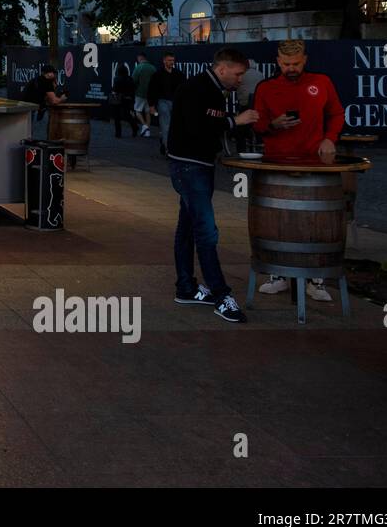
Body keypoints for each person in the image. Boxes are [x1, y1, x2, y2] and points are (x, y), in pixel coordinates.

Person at [166, 46, 261, 324]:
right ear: (222, 69)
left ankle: (186, 287)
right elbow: (199, 127)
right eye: (238, 73)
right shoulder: (198, 89)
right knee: (206, 231)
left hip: (192, 165)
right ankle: (221, 295)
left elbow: (203, 125)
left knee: (188, 228)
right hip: (189, 166)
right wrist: (235, 120)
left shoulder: (205, 88)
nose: (241, 79)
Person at [251, 39, 345, 302]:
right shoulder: (266, 87)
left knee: (314, 220)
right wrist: (273, 124)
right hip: (276, 161)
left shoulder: (322, 82)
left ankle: (316, 279)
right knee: (279, 218)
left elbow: (337, 114)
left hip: (314, 162)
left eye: (295, 63)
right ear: (277, 62)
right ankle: (277, 274)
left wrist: (330, 138)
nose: (290, 68)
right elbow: (256, 124)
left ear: (305, 60)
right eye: (285, 64)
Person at [147, 52, 186, 157]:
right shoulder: (158, 75)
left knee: (174, 126)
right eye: (169, 60)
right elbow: (152, 90)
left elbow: (184, 89)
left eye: (173, 60)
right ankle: (169, 149)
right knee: (166, 126)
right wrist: (151, 105)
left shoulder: (178, 74)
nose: (171, 62)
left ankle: (167, 144)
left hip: (175, 102)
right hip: (163, 101)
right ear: (164, 61)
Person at [110, 63, 139, 138]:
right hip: (128, 99)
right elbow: (134, 88)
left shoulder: (117, 79)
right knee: (127, 115)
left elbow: (115, 90)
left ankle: (118, 133)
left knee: (117, 117)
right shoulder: (130, 79)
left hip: (118, 99)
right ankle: (134, 127)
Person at [132, 52, 157, 138]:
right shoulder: (153, 68)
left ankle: (144, 126)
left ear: (140, 58)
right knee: (147, 112)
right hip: (151, 94)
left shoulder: (139, 67)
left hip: (140, 93)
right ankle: (147, 131)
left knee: (137, 110)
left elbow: (134, 80)